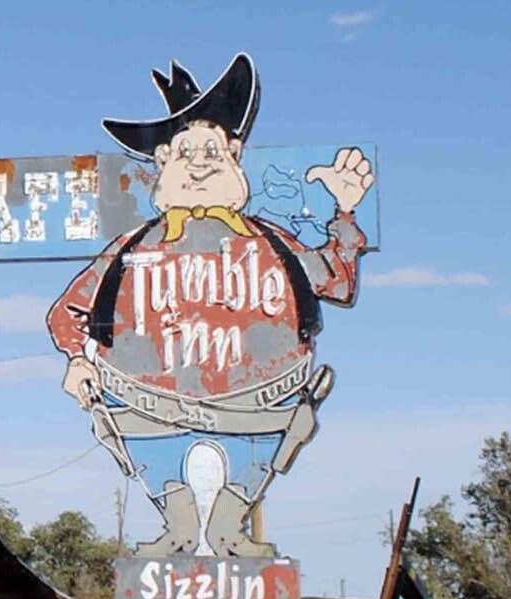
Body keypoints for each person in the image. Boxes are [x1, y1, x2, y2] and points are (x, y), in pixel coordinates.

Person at [46, 53, 374, 556]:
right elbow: (68, 309)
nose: (199, 162)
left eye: (211, 150)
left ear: (235, 154)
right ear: (162, 162)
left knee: (247, 479)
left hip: (265, 405)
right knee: (164, 480)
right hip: (143, 407)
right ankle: (176, 525)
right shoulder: (134, 248)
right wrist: (75, 361)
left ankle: (228, 526)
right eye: (185, 151)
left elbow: (336, 281)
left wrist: (346, 210)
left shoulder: (273, 243)